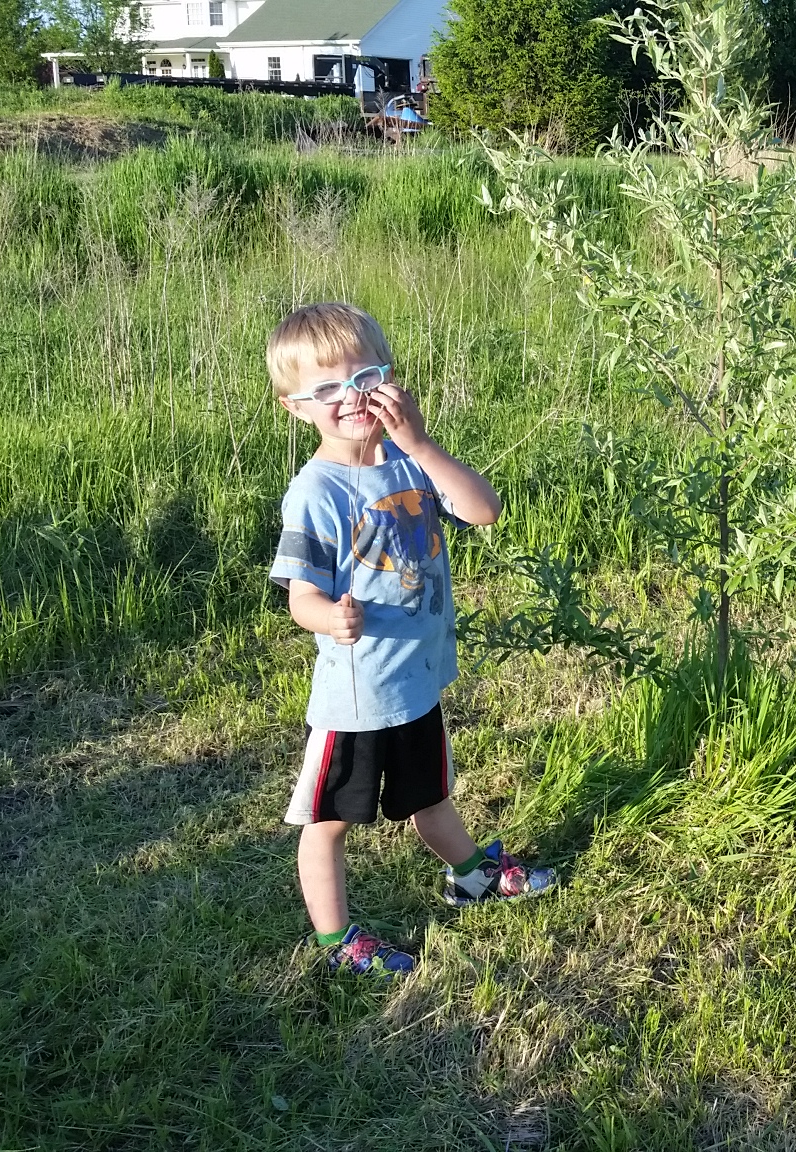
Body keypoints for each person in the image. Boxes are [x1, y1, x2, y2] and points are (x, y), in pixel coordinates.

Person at [267, 302, 554, 979]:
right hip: (357, 696)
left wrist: (422, 444)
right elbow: (300, 594)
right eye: (328, 388)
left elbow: (484, 510)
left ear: (390, 379)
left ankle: (471, 876)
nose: (353, 397)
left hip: (417, 678)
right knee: (328, 823)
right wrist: (326, 617)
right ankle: (337, 941)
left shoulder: (408, 461)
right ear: (296, 408)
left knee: (431, 796)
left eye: (365, 377)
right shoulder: (315, 492)